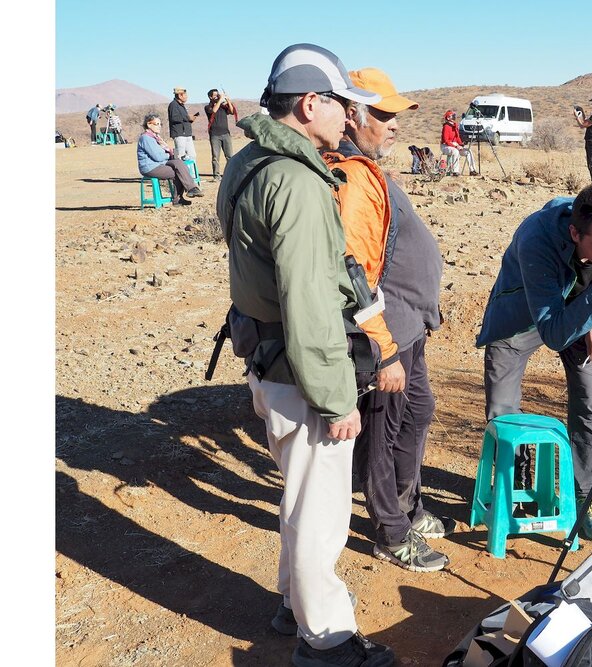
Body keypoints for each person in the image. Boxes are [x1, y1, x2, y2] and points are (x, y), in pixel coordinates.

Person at [216, 43, 393, 667]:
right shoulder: (297, 180)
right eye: (341, 105)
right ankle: (326, 643)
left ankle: (293, 603)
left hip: (267, 363)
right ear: (309, 103)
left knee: (298, 499)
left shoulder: (247, 164)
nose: (349, 118)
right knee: (320, 515)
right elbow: (311, 299)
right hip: (302, 372)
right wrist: (336, 395)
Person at [321, 67, 451, 573]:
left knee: (416, 413)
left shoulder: (369, 168)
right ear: (351, 115)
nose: (394, 124)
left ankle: (408, 505)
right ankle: (389, 529)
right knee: (384, 426)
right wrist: (383, 344)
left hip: (407, 323)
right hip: (386, 329)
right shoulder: (352, 175)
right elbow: (352, 267)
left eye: (396, 114)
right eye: (383, 113)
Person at [475, 182, 592, 541]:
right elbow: (553, 331)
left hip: (582, 312)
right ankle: (516, 488)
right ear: (574, 232)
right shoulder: (536, 237)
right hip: (524, 314)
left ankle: (583, 496)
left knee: (591, 405)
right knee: (503, 411)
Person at [136, 113, 203, 205]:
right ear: (149, 124)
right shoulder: (146, 138)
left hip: (160, 164)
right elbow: (158, 157)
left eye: (160, 124)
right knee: (180, 171)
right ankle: (182, 196)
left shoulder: (156, 138)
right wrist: (170, 154)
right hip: (150, 167)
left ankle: (189, 191)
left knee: (180, 164)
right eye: (157, 124)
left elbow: (162, 155)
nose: (159, 126)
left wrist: (170, 153)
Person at [204, 89, 237, 179]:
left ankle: (231, 174)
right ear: (210, 97)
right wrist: (220, 100)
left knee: (230, 156)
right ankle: (216, 176)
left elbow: (231, 111)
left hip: (226, 134)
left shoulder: (223, 107)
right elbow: (213, 111)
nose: (217, 96)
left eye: (218, 95)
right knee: (215, 157)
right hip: (215, 135)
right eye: (215, 95)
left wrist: (228, 101)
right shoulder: (207, 107)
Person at [440, 109, 478, 176]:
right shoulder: (446, 126)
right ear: (448, 117)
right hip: (445, 146)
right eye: (452, 115)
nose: (454, 117)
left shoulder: (455, 126)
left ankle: (472, 170)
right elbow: (446, 140)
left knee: (468, 152)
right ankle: (455, 171)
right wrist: (456, 146)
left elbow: (457, 138)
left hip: (454, 145)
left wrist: (461, 144)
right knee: (455, 151)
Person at [167, 87, 200, 161]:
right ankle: (181, 172)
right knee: (181, 156)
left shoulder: (182, 106)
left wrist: (191, 119)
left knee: (192, 155)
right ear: (180, 95)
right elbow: (174, 118)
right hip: (179, 134)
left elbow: (184, 120)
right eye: (185, 95)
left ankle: (191, 172)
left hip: (187, 134)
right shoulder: (173, 105)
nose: (186, 97)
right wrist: (188, 118)